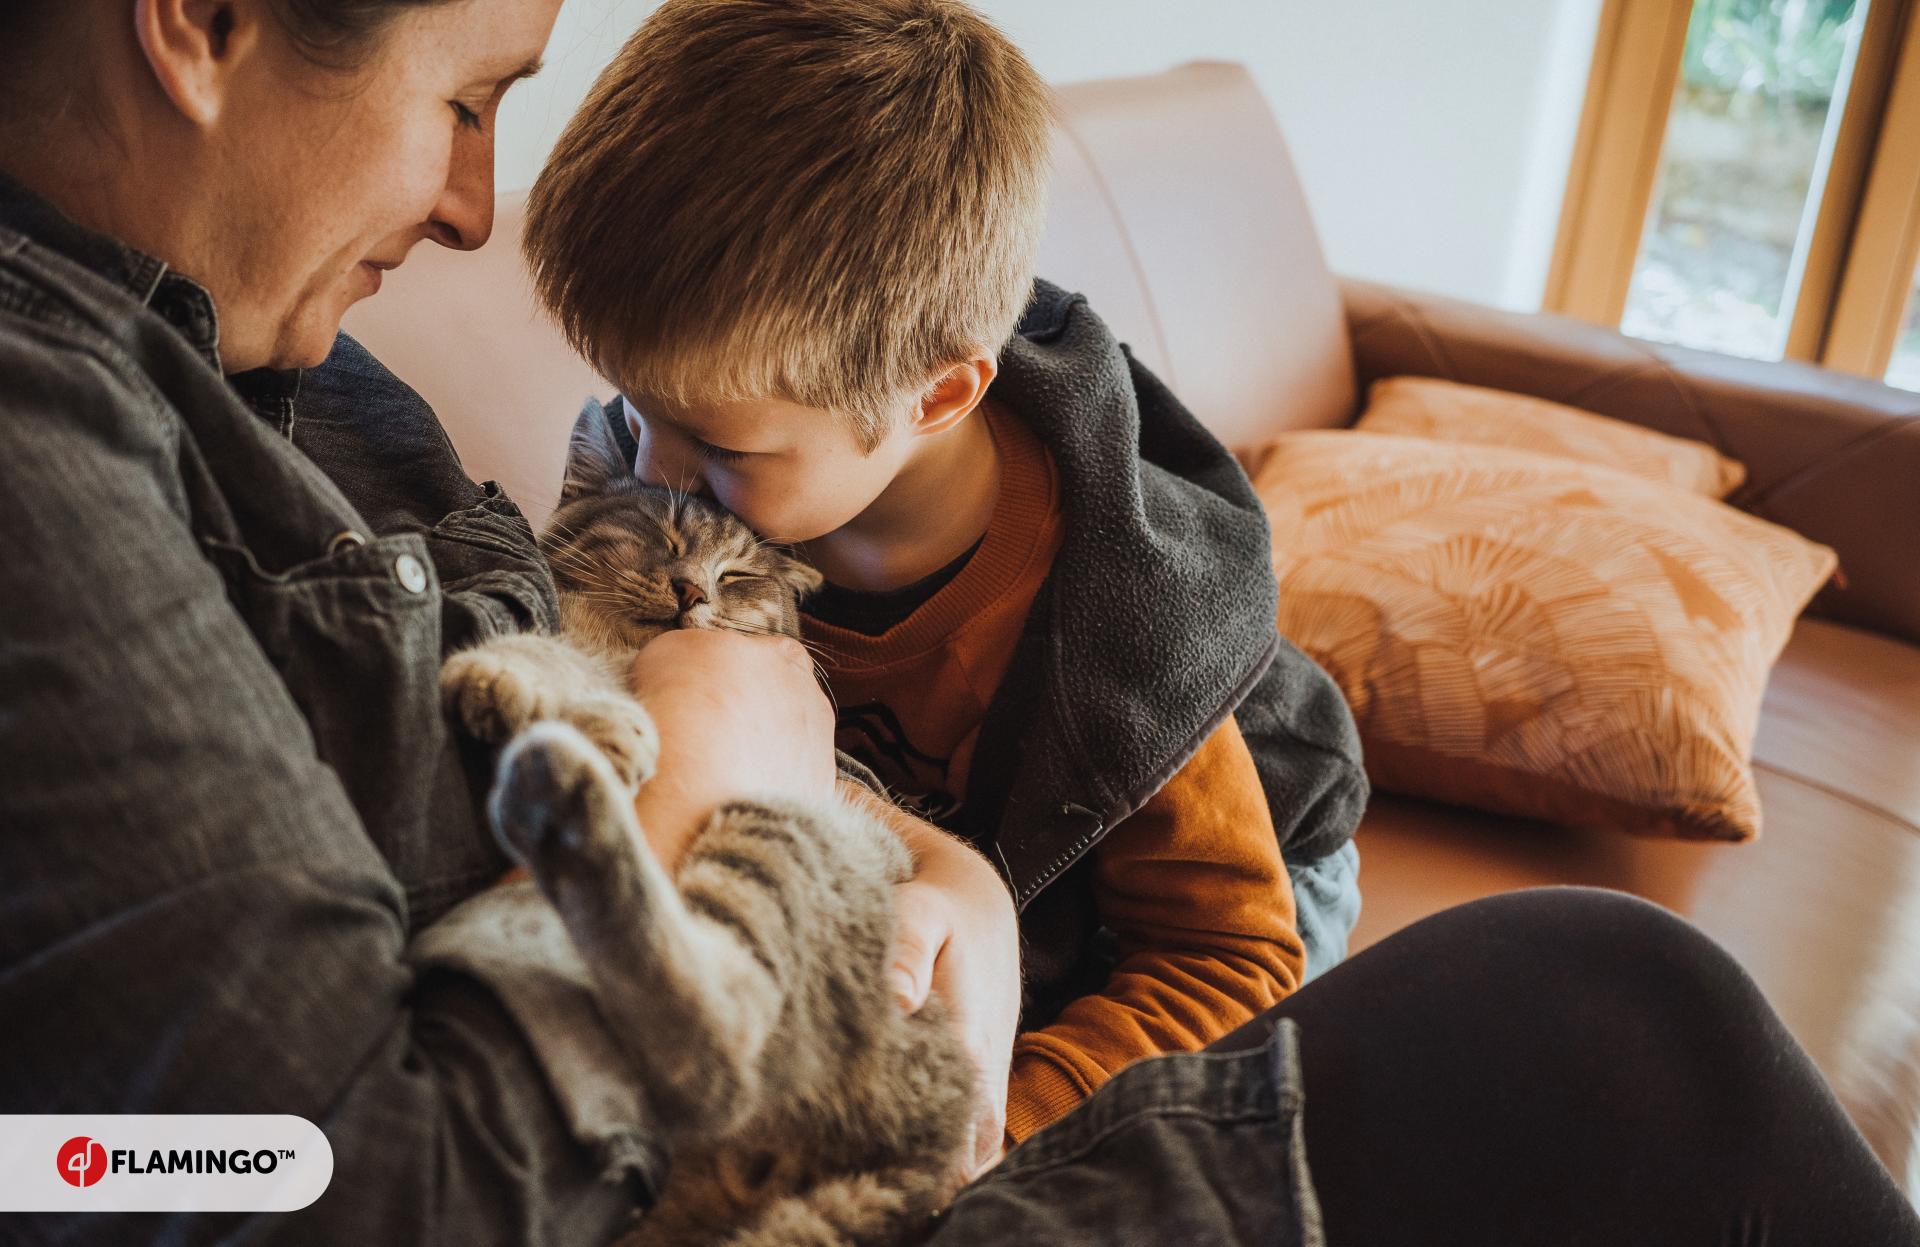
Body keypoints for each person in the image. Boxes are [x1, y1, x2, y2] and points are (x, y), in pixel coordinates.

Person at [2, 2, 1917, 1245]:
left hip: (923, 964)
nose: (479, 210)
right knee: (1612, 1026)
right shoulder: (47, 448)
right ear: (200, 24)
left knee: (1619, 1006)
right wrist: (705, 815)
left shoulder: (251, 334)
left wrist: (947, 882)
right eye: (473, 96)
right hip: (766, 1141)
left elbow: (1197, 930)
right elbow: (172, 1171)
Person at [519, 0, 1367, 1148]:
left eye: (718, 446)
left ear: (934, 398)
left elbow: (1226, 954)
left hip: (1235, 884)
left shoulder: (1127, 628)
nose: (655, 473)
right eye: (635, 406)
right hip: (979, 854)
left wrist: (999, 1132)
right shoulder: (717, 450)